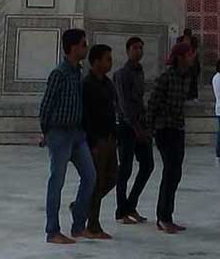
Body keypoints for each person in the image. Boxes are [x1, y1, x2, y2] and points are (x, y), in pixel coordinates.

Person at [37, 28, 95, 245]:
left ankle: (78, 224)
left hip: (77, 134)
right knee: (57, 182)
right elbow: (46, 106)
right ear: (73, 48)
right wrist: (47, 133)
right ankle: (52, 231)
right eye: (83, 44)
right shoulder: (59, 74)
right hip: (60, 135)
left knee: (90, 177)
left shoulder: (78, 73)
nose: (86, 48)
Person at [145, 41, 197, 234]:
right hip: (164, 130)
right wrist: (149, 130)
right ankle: (163, 217)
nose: (193, 57)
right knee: (170, 172)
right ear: (181, 57)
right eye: (190, 54)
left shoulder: (187, 77)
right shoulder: (166, 78)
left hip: (177, 129)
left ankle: (168, 215)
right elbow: (152, 104)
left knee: (175, 174)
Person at [112, 36, 154, 227]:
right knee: (125, 169)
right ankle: (121, 210)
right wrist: (136, 128)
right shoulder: (121, 74)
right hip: (127, 127)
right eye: (136, 48)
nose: (139, 51)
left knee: (147, 165)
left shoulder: (139, 72)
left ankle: (131, 205)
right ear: (128, 50)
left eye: (141, 48)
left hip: (140, 125)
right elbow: (124, 104)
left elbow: (139, 100)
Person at [81, 44, 118, 240]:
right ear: (96, 61)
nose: (110, 62)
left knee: (112, 177)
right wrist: (92, 142)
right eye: (107, 58)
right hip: (97, 140)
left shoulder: (107, 83)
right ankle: (93, 226)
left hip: (110, 138)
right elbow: (86, 116)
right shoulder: (87, 84)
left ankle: (82, 205)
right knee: (97, 182)